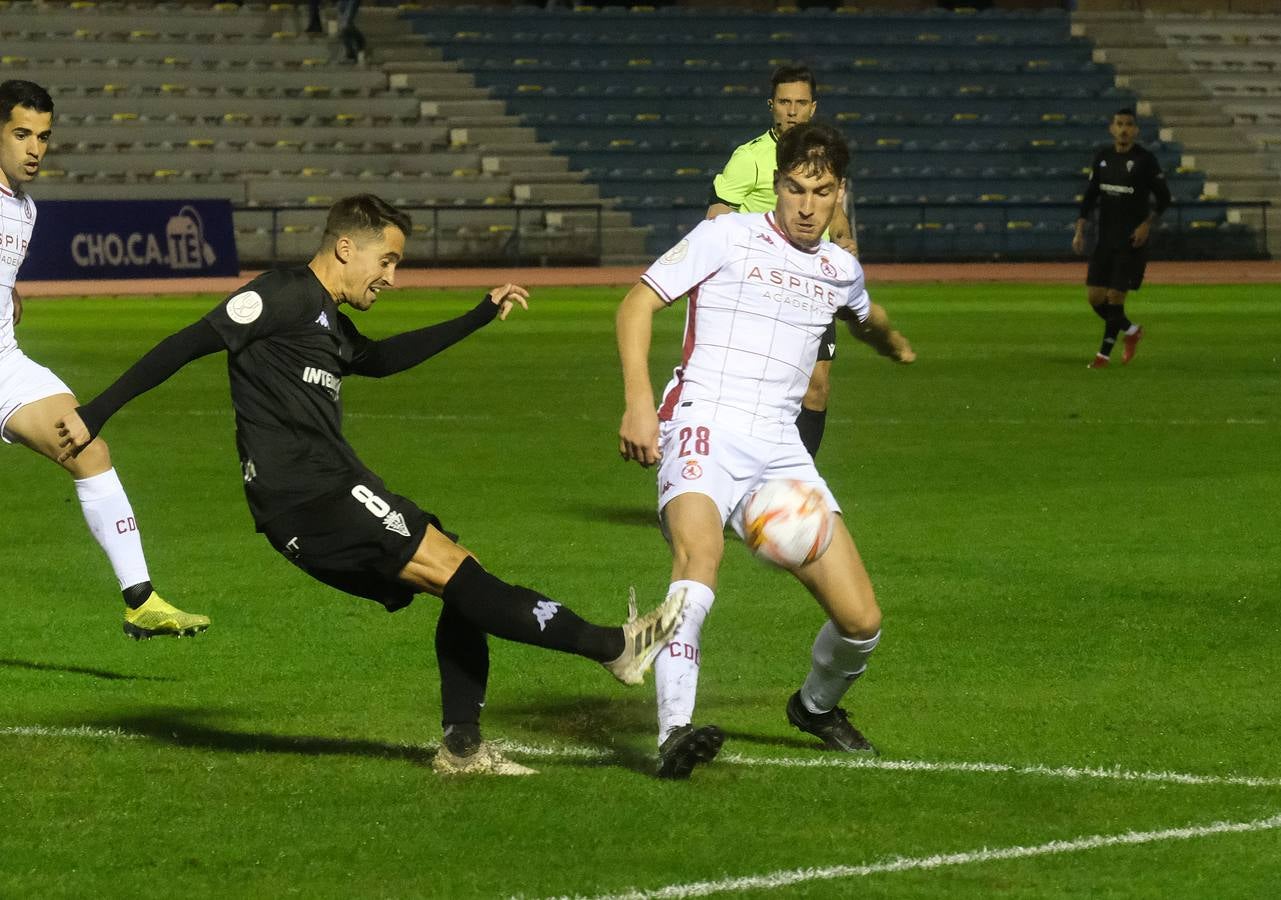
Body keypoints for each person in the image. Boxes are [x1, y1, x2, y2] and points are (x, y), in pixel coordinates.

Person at [57, 194, 685, 776]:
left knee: (459, 574)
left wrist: (476, 316)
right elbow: (185, 343)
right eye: (386, 260)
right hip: (313, 495)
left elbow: (380, 360)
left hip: (316, 498)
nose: (391, 276)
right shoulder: (283, 294)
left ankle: (463, 744)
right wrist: (96, 413)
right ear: (345, 248)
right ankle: (613, 647)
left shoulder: (327, 320)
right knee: (462, 575)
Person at [618, 122, 915, 779]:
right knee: (698, 560)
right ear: (775, 185)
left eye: (822, 191)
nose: (806, 205)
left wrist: (892, 345)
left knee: (861, 621)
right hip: (702, 423)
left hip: (779, 449)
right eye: (793, 188)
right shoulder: (726, 236)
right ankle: (673, 733)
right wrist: (640, 404)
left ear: (841, 194)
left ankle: (812, 707)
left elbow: (866, 316)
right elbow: (635, 306)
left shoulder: (839, 268)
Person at [0, 79, 210, 640]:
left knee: (86, 442)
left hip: (3, 362)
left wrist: (9, 293)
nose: (34, 149)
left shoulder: (25, 210)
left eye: (43, 137)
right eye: (21, 134)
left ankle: (140, 600)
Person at [706, 64, 859, 459]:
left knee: (816, 386)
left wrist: (844, 240)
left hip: (814, 284)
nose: (792, 110)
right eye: (785, 102)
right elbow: (716, 214)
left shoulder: (824, 158)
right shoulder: (750, 157)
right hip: (762, 284)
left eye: (800, 103)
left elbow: (836, 214)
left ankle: (797, 476)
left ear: (813, 107)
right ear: (771, 105)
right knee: (754, 385)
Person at [1072, 107, 1171, 369]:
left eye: (1129, 124)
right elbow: (1091, 194)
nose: (1124, 129)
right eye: (1120, 124)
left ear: (1136, 130)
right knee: (1095, 298)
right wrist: (1080, 228)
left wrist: (1146, 225)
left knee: (1116, 298)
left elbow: (1164, 198)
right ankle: (1131, 330)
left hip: (1131, 243)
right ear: (1112, 128)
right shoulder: (1103, 157)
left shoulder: (1145, 160)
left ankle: (1102, 356)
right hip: (1105, 240)